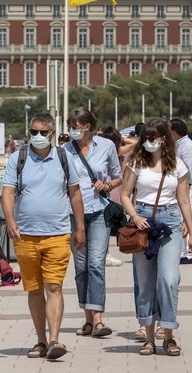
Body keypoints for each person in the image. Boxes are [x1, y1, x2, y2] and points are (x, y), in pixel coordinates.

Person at [2, 112, 85, 360]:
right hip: (25, 235)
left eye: (41, 132)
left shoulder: (64, 158)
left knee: (54, 286)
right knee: (35, 289)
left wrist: (80, 228)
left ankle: (55, 340)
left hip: (57, 233)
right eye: (33, 132)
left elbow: (75, 194)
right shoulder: (18, 158)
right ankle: (40, 340)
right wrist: (10, 220)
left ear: (51, 133)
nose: (36, 136)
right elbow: (8, 193)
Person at [120, 119, 192, 357]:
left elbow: (184, 200)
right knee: (145, 283)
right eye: (146, 138)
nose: (149, 142)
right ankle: (149, 338)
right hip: (142, 221)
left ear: (165, 138)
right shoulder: (136, 162)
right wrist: (133, 216)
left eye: (154, 137)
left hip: (170, 222)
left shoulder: (178, 165)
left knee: (169, 279)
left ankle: (169, 334)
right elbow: (124, 195)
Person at [63, 108, 122, 338]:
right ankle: (87, 320)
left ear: (87, 126)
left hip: (99, 211)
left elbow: (118, 176)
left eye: (75, 126)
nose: (72, 130)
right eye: (71, 126)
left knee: (96, 263)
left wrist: (107, 186)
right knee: (81, 267)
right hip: (72, 213)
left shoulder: (106, 146)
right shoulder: (65, 151)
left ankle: (98, 320)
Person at [169, 118, 192, 265]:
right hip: (181, 186)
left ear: (174, 131)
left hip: (188, 186)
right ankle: (182, 251)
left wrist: (185, 192)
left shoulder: (187, 146)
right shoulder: (179, 145)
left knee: (188, 218)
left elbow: (186, 171)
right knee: (182, 218)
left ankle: (189, 253)